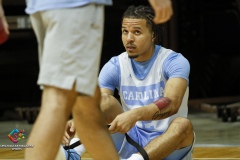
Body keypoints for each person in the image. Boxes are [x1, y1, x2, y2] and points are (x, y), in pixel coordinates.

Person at [0, 0, 174, 160]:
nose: (129, 38)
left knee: (87, 109)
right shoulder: (116, 63)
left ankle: (71, 154)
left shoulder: (171, 60)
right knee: (57, 101)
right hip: (74, 7)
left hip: (44, 6)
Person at [62, 4, 194, 160]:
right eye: (125, 32)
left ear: (153, 35)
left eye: (137, 32)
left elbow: (172, 103)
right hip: (131, 139)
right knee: (99, 102)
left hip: (169, 144)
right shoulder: (115, 65)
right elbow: (99, 105)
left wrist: (135, 115)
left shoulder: (174, 61)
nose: (129, 38)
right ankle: (73, 153)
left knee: (183, 125)